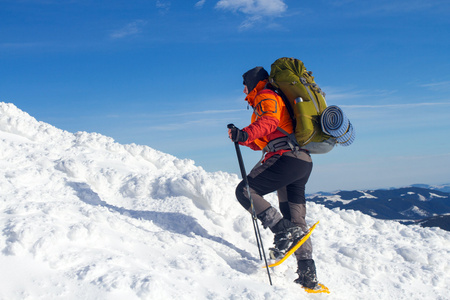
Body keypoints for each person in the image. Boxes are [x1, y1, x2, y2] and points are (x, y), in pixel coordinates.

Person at [228, 66, 320, 290]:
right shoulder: (271, 99)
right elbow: (263, 139)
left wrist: (246, 133)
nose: (243, 91)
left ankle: (282, 230)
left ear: (253, 82)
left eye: (244, 85)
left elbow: (268, 122)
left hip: (285, 159)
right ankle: (308, 273)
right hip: (301, 162)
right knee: (296, 219)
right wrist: (242, 137)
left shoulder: (266, 95)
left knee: (245, 191)